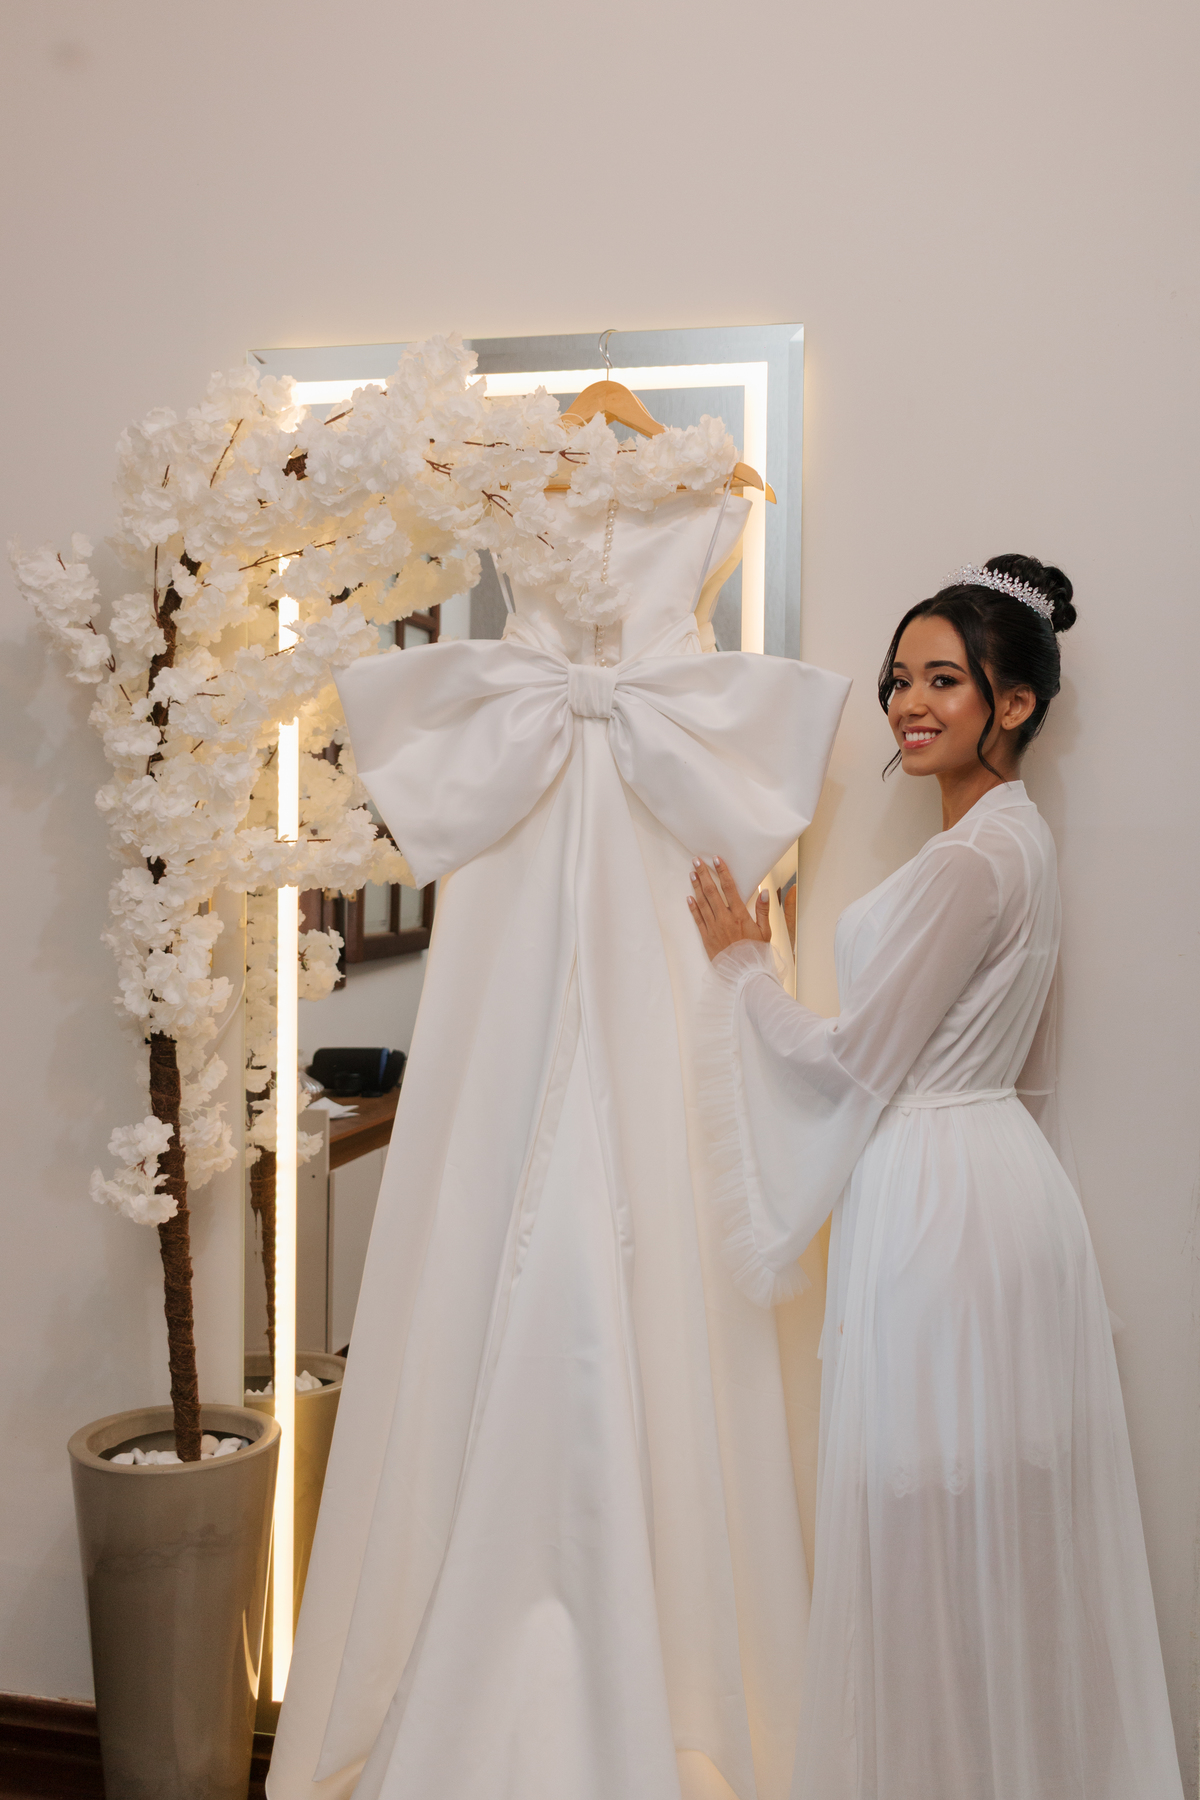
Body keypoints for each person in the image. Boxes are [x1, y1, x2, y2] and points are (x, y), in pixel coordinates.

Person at [688, 555, 1184, 1799]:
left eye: (943, 681)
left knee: (921, 1513)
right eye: (900, 679)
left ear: (1013, 703)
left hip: (938, 1198)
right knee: (984, 1519)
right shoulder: (1018, 840)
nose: (909, 703)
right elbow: (1017, 1066)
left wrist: (745, 970)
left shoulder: (973, 860)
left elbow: (858, 1063)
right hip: (997, 1178)